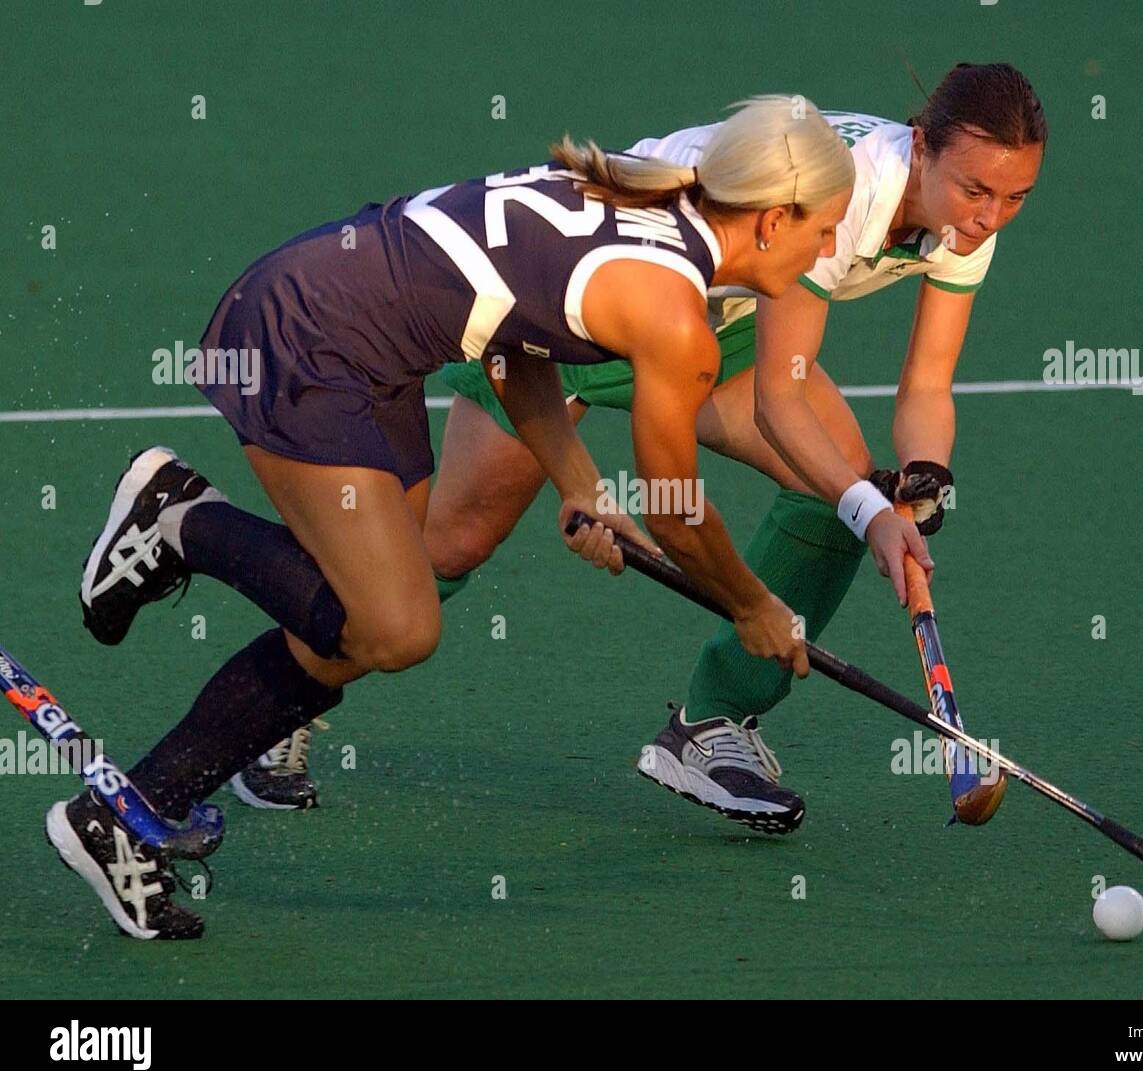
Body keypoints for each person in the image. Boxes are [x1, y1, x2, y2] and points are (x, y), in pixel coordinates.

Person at [58, 96, 857, 939]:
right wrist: (754, 606)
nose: (832, 249)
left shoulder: (651, 207)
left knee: (342, 635)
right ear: (773, 221)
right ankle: (179, 518)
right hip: (310, 337)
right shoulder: (671, 312)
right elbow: (680, 512)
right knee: (396, 629)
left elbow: (517, 342)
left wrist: (579, 481)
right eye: (824, 228)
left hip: (365, 344)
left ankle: (127, 815)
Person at [242, 63, 1045, 833]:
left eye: (1014, 198)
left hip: (709, 322)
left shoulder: (964, 224)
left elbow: (927, 388)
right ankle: (281, 696)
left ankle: (713, 723)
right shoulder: (844, 198)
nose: (988, 215)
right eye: (975, 190)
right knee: (451, 542)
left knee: (832, 490)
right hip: (586, 297)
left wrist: (920, 478)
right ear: (922, 143)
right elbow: (779, 398)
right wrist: (871, 510)